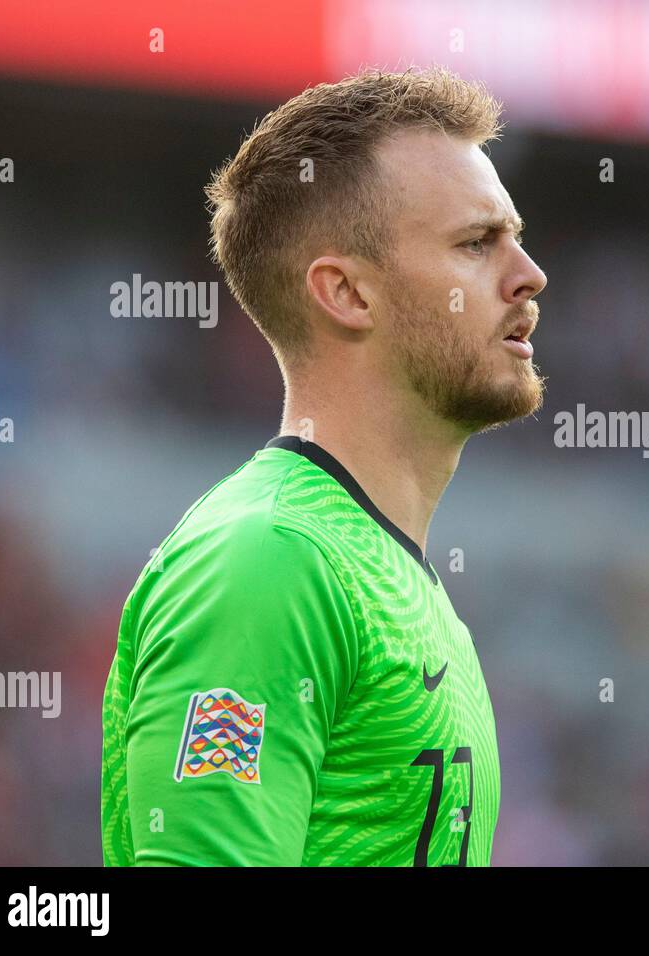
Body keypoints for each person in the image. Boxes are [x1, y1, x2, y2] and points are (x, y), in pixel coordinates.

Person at [101, 66, 547, 865]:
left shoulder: (395, 580)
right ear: (345, 293)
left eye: (515, 237)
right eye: (477, 243)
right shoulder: (270, 561)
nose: (528, 276)